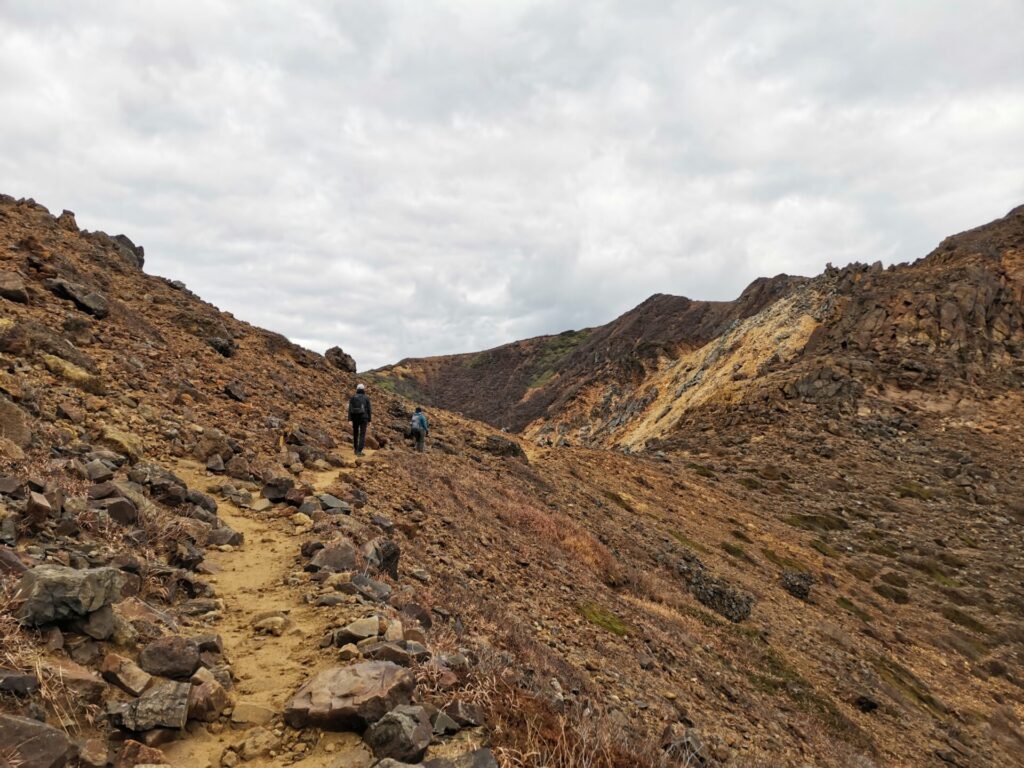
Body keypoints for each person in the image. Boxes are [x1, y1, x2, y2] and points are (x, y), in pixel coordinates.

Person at [348, 383, 372, 456]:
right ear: (363, 389)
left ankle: (355, 450)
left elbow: (349, 409)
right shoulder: (366, 398)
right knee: (362, 434)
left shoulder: (352, 397)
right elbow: (369, 410)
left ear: (357, 389)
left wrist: (349, 419)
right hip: (363, 418)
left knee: (355, 433)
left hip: (355, 417)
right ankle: (359, 451)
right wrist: (369, 420)